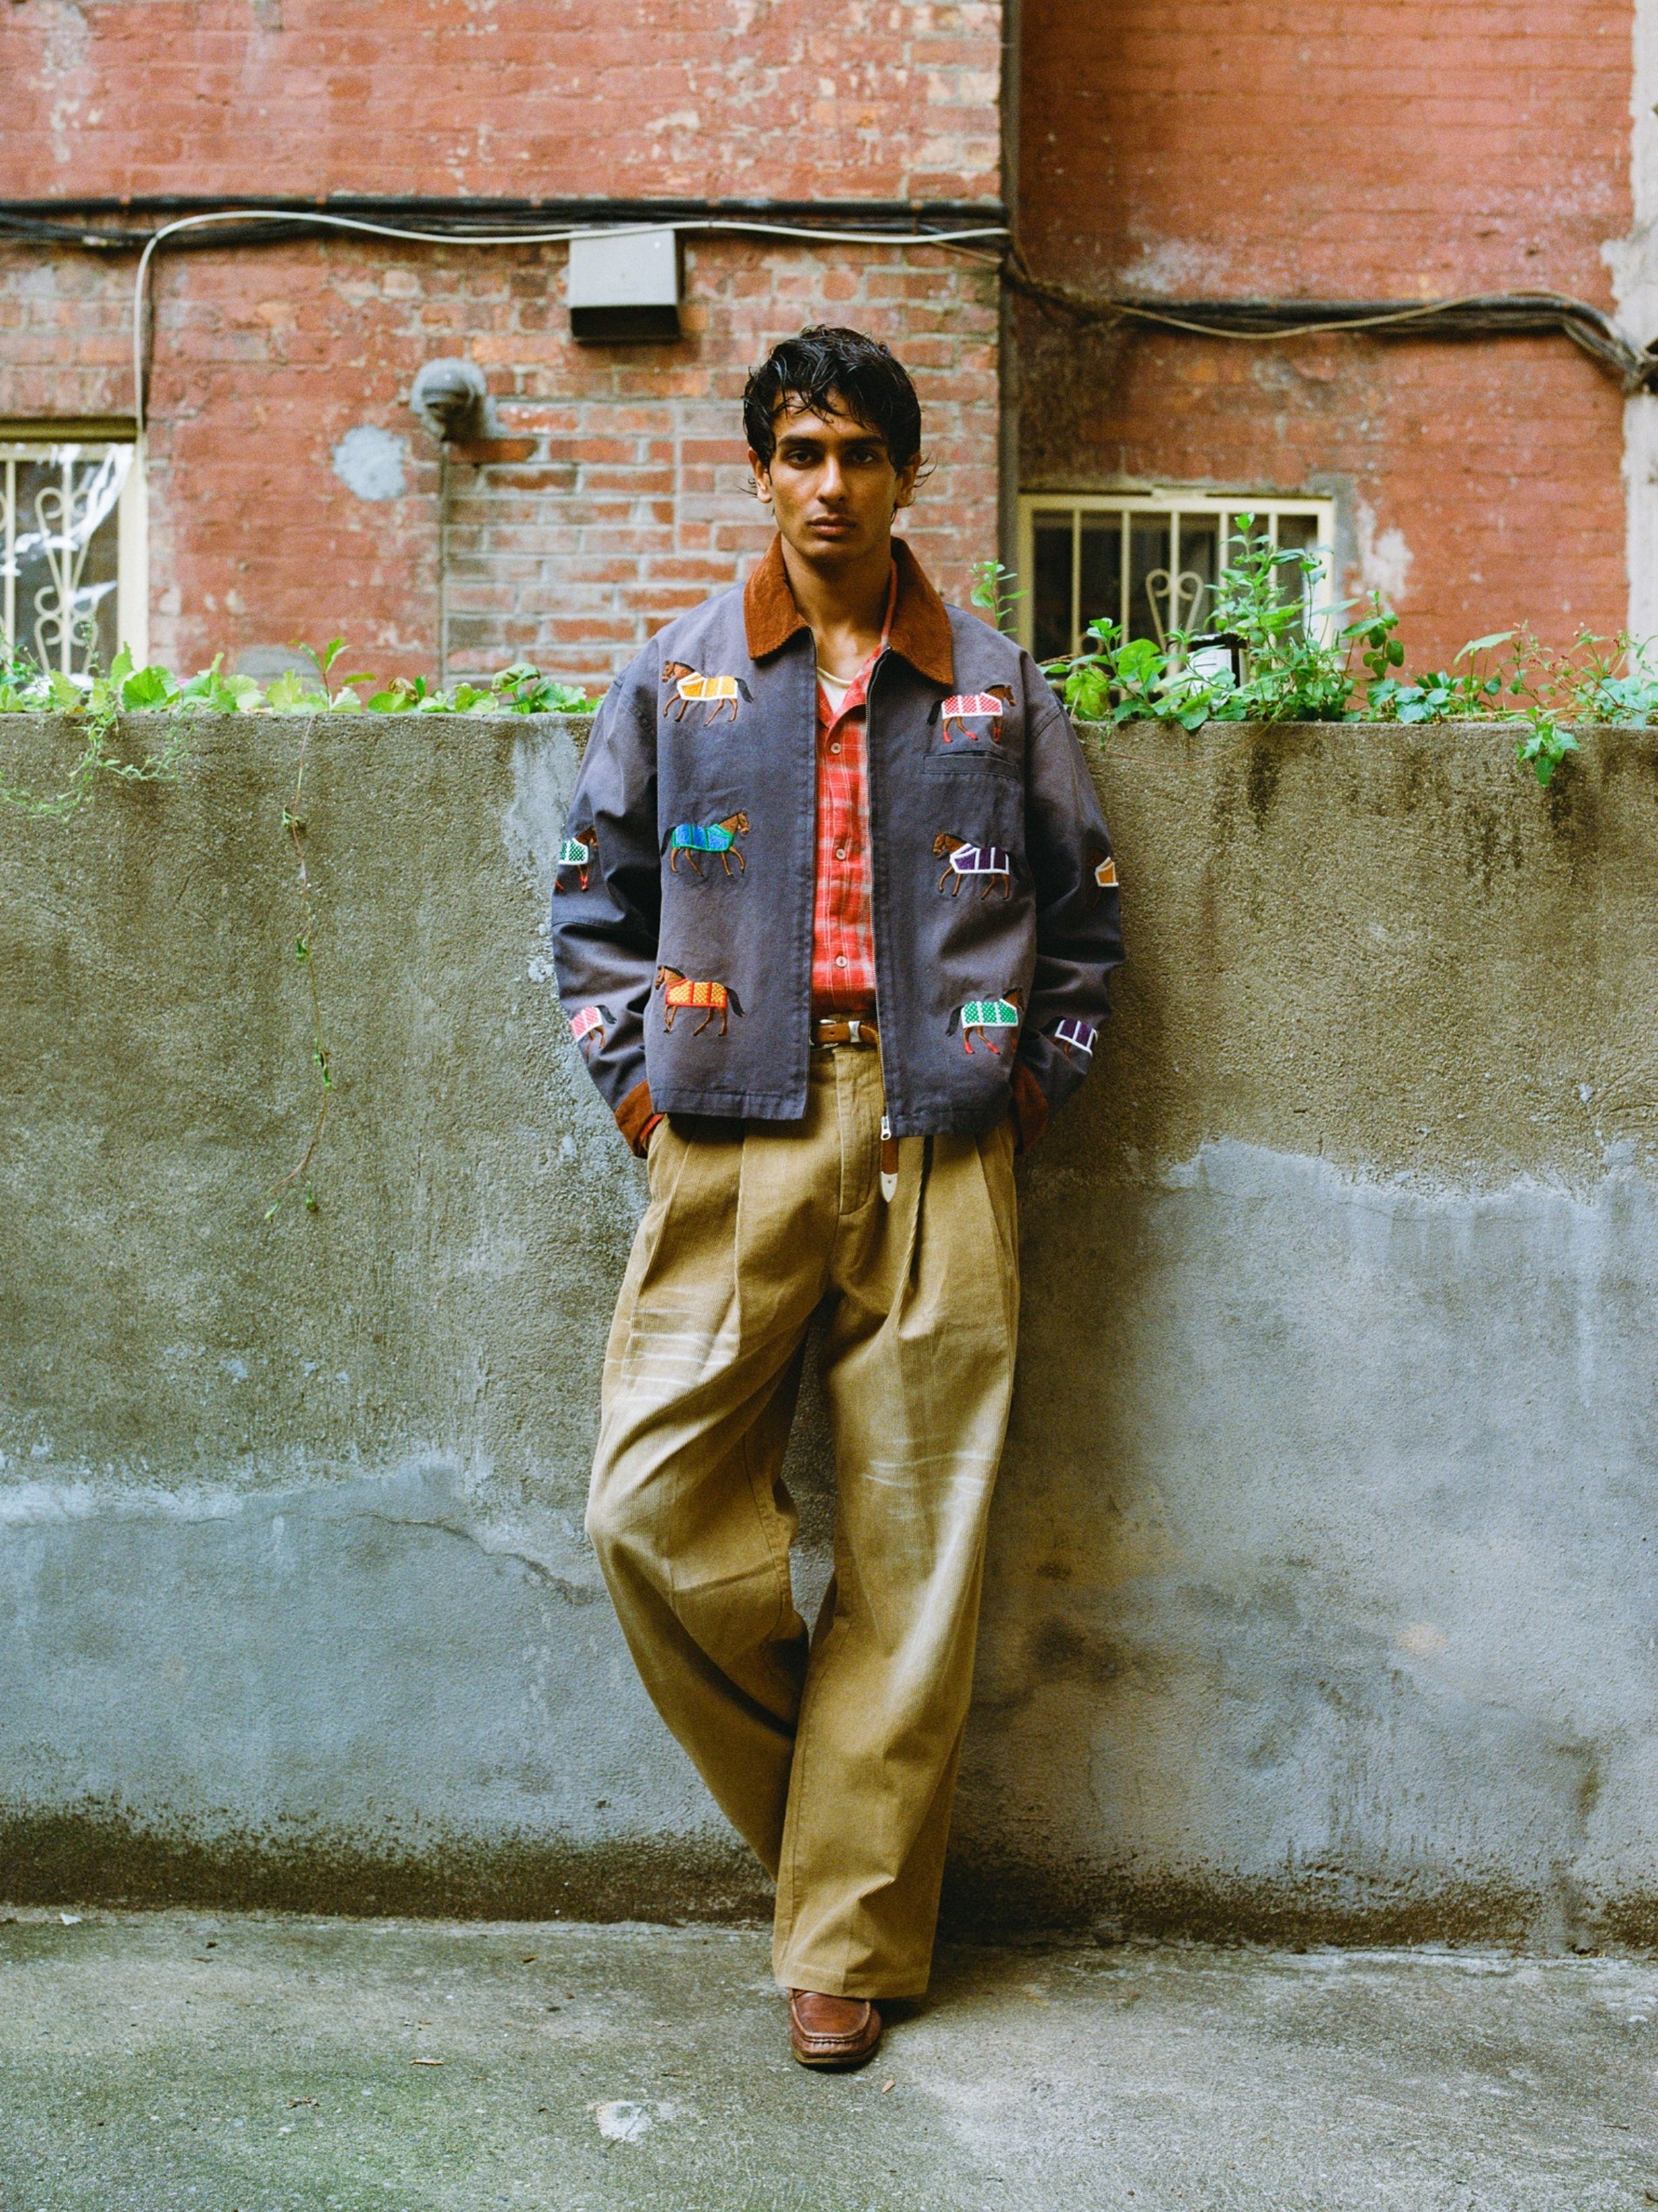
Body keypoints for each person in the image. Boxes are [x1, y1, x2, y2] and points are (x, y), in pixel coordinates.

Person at [550, 325, 1123, 2069]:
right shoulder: (681, 676)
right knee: (643, 1512)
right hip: (731, 1134)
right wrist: (653, 1096)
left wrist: (1021, 1087)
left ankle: (844, 1942)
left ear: (903, 476)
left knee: (914, 1548)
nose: (828, 484)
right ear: (762, 470)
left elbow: (1084, 922)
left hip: (943, 1135)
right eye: (799, 450)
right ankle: (838, 1829)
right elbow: (591, 912)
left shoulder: (996, 688)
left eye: (860, 453)